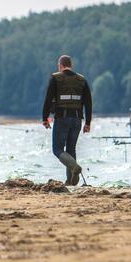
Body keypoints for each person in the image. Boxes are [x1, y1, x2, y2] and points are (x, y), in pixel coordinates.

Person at [42, 55, 92, 186]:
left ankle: (74, 167)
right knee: (71, 149)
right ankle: (70, 182)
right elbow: (88, 103)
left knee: (57, 149)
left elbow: (48, 100)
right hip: (77, 119)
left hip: (62, 118)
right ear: (71, 65)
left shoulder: (56, 78)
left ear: (60, 65)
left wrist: (44, 118)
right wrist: (88, 123)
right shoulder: (82, 80)